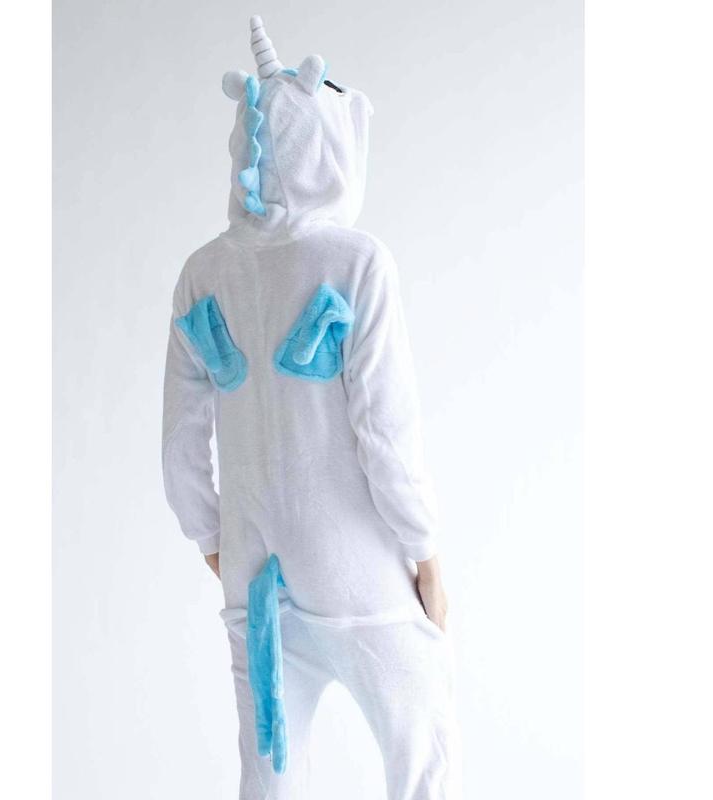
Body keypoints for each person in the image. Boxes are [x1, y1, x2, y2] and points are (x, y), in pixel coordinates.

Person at [163, 16, 454, 799]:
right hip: (359, 574)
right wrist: (425, 555)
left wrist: (213, 539)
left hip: (255, 572)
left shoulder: (202, 275)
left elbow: (180, 442)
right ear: (327, 144)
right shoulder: (357, 263)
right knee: (422, 765)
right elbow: (385, 432)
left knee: (270, 780)